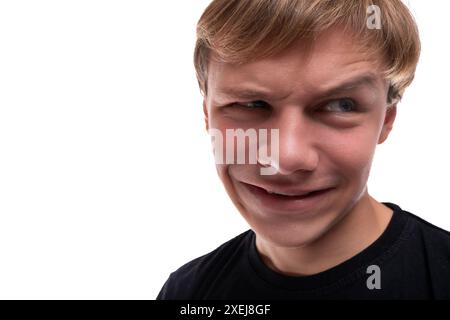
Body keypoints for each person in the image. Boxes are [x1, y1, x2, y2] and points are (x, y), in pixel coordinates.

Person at [157, 0, 450, 299]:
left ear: (386, 119)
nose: (286, 158)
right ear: (207, 115)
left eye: (340, 105)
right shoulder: (187, 293)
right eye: (250, 105)